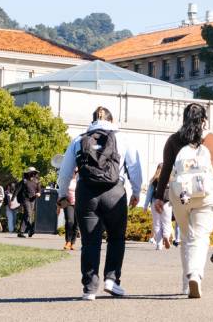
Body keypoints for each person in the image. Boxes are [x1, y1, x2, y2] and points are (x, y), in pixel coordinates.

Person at [62, 105, 145, 301]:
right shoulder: (122, 138)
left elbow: (65, 170)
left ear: (93, 120)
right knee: (116, 237)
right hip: (114, 192)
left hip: (86, 193)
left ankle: (89, 288)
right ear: (112, 120)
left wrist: (62, 193)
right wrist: (135, 190)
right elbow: (134, 167)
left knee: (90, 241)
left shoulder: (79, 139)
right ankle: (112, 280)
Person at [153, 102, 213, 299]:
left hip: (181, 195)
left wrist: (159, 197)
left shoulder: (173, 140)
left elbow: (166, 171)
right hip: (207, 194)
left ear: (184, 118)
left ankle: (187, 284)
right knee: (200, 237)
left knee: (186, 237)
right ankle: (195, 274)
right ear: (204, 119)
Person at [15, 168, 42, 237]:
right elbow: (18, 190)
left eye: (34, 173)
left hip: (33, 199)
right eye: (31, 173)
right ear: (28, 173)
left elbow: (39, 190)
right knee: (29, 214)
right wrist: (14, 199)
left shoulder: (37, 181)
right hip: (25, 199)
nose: (33, 174)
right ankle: (31, 229)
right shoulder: (24, 181)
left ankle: (21, 232)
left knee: (26, 215)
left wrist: (38, 193)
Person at [60, 176, 78, 252]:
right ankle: (68, 241)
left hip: (78, 203)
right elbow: (61, 192)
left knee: (76, 223)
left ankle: (73, 242)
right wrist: (58, 207)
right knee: (70, 221)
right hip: (67, 203)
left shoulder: (80, 179)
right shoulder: (66, 178)